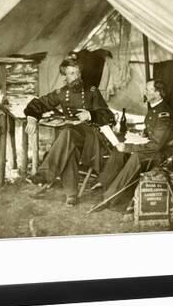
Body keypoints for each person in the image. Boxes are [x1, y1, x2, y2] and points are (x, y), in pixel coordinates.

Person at [24, 55, 114, 206]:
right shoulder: (61, 92)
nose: (76, 77)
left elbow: (108, 116)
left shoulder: (92, 91)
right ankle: (71, 195)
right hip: (72, 138)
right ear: (65, 75)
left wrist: (90, 114)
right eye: (72, 73)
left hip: (91, 137)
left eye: (78, 73)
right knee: (68, 145)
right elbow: (39, 104)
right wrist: (32, 118)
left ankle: (44, 175)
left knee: (66, 133)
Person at [94, 79, 173, 210]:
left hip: (164, 153)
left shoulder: (164, 114)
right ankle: (105, 183)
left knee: (136, 156)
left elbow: (156, 146)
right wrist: (143, 134)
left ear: (157, 93)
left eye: (148, 90)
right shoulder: (154, 108)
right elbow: (151, 130)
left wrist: (129, 147)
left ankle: (110, 198)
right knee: (119, 150)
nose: (144, 92)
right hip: (153, 146)